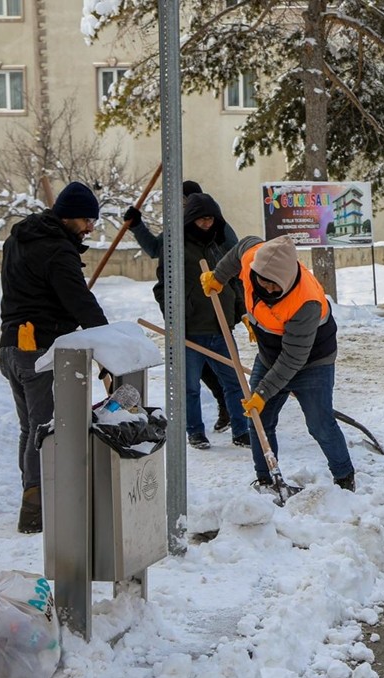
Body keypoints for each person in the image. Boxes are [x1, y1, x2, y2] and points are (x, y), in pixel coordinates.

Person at [200, 235, 356, 491]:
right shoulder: (253, 258)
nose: (269, 289)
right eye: (264, 282)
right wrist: (219, 277)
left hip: (313, 361)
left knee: (319, 423)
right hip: (270, 353)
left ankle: (344, 478)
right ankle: (266, 479)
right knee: (258, 419)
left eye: (276, 286)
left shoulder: (305, 302)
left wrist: (262, 392)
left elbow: (293, 358)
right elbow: (241, 247)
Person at [0, 181, 109, 533]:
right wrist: (108, 345)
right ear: (68, 217)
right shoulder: (57, 251)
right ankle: (35, 509)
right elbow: (79, 302)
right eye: (86, 220)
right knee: (44, 429)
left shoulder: (18, 240)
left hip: (11, 348)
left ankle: (35, 497)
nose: (90, 227)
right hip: (38, 348)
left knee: (30, 427)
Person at [126, 180, 237, 435]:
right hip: (191, 318)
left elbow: (234, 255)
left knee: (222, 372)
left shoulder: (217, 227)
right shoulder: (177, 230)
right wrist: (137, 226)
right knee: (199, 375)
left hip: (216, 314)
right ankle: (212, 417)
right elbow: (157, 251)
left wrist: (236, 300)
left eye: (185, 200)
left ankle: (229, 410)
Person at [146, 193, 252, 449]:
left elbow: (234, 282)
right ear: (190, 220)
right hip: (190, 330)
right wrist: (174, 319)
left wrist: (241, 311)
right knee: (190, 387)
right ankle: (195, 432)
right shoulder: (175, 250)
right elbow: (162, 289)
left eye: (210, 219)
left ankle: (241, 431)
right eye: (201, 220)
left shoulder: (219, 246)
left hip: (221, 327)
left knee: (235, 383)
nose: (206, 224)